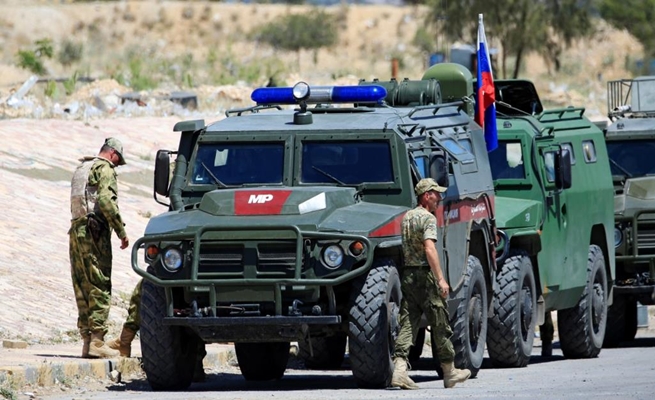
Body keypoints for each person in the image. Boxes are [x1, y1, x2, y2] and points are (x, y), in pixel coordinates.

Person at [391, 178, 471, 389]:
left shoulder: (407, 217)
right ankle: (449, 372)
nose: (440, 198)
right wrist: (441, 279)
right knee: (440, 322)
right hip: (425, 276)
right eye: (436, 194)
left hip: (408, 275)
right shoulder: (428, 218)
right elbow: (429, 248)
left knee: (408, 322)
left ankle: (399, 370)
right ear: (426, 196)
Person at [69, 137, 129, 359]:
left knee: (82, 284)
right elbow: (105, 200)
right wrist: (121, 231)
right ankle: (97, 341)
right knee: (99, 283)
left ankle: (87, 342)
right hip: (94, 232)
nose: (117, 164)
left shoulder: (82, 168)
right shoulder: (105, 168)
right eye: (118, 160)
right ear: (113, 153)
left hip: (76, 230)